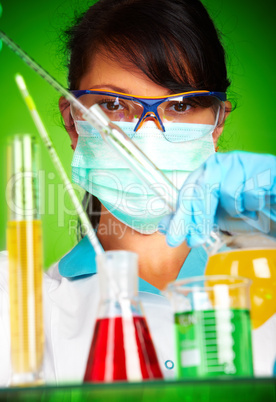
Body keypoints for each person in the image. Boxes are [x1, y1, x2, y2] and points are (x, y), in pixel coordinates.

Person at [0, 0, 275, 385]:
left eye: (179, 104)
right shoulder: (18, 306)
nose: (147, 133)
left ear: (216, 123)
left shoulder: (264, 282)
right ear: (74, 122)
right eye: (113, 105)